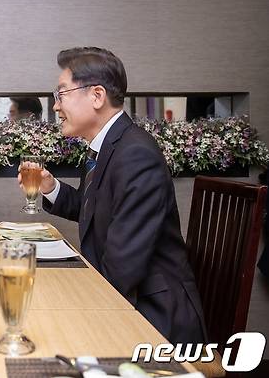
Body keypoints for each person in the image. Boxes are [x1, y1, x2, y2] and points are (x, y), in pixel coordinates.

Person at [20, 47, 206, 344]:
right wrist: (50, 187)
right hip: (123, 297)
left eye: (62, 93)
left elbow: (122, 268)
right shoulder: (108, 146)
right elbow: (94, 209)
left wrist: (68, 303)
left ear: (96, 96)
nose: (55, 106)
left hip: (152, 316)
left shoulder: (136, 155)